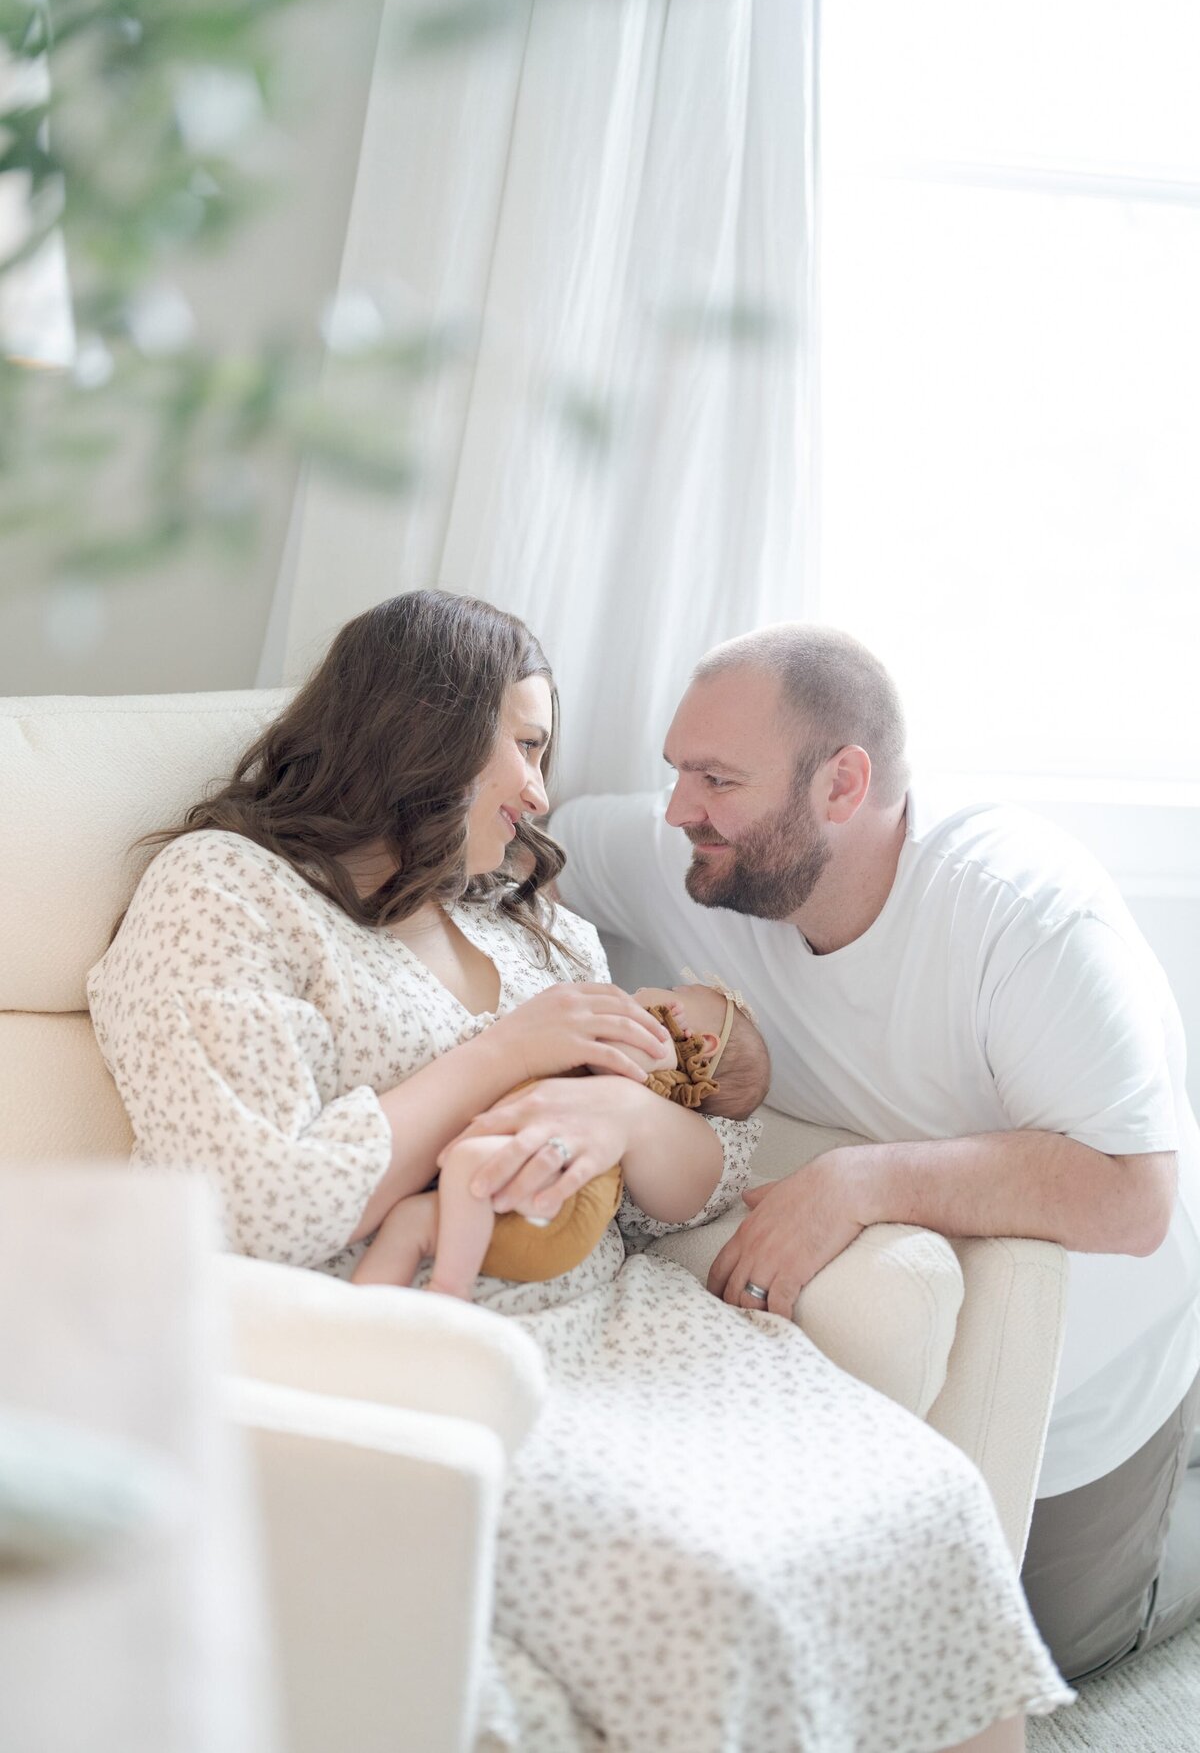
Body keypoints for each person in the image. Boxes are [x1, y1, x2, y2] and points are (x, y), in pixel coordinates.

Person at [87, 591, 1069, 1752]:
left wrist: (623, 1119)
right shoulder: (226, 890)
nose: (544, 793)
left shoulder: (522, 919)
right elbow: (250, 1201)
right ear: (426, 726)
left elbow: (695, 1184)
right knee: (727, 1583)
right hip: (421, 1340)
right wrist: (503, 1052)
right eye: (531, 743)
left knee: (927, 1504)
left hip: (625, 1320)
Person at [550, 620, 1200, 1687]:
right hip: (993, 1331)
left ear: (844, 784)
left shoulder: (1022, 912)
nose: (678, 809)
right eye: (677, 771)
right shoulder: (700, 861)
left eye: (716, 777)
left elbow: (1133, 1198)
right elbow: (541, 849)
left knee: (1060, 1646)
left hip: (1112, 1368)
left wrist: (866, 1178)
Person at [351, 981, 770, 1296]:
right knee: (410, 1219)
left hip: (555, 1200)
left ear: (701, 1041)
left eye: (675, 990)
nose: (644, 987)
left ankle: (449, 1290)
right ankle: (358, 1314)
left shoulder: (656, 1055)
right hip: (545, 1202)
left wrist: (646, 1020)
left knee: (470, 1163)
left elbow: (618, 1055)